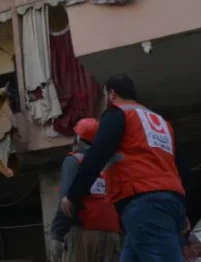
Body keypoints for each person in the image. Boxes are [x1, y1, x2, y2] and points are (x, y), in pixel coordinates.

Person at [60, 75, 191, 262]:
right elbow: (183, 168)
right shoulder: (162, 122)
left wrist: (73, 195)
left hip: (143, 202)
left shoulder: (117, 113)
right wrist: (186, 210)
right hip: (171, 201)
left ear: (112, 94)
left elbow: (97, 155)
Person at [50, 118, 121, 262]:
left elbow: (67, 202)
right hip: (112, 236)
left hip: (83, 234)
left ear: (78, 139)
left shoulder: (74, 161)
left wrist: (57, 234)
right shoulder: (112, 164)